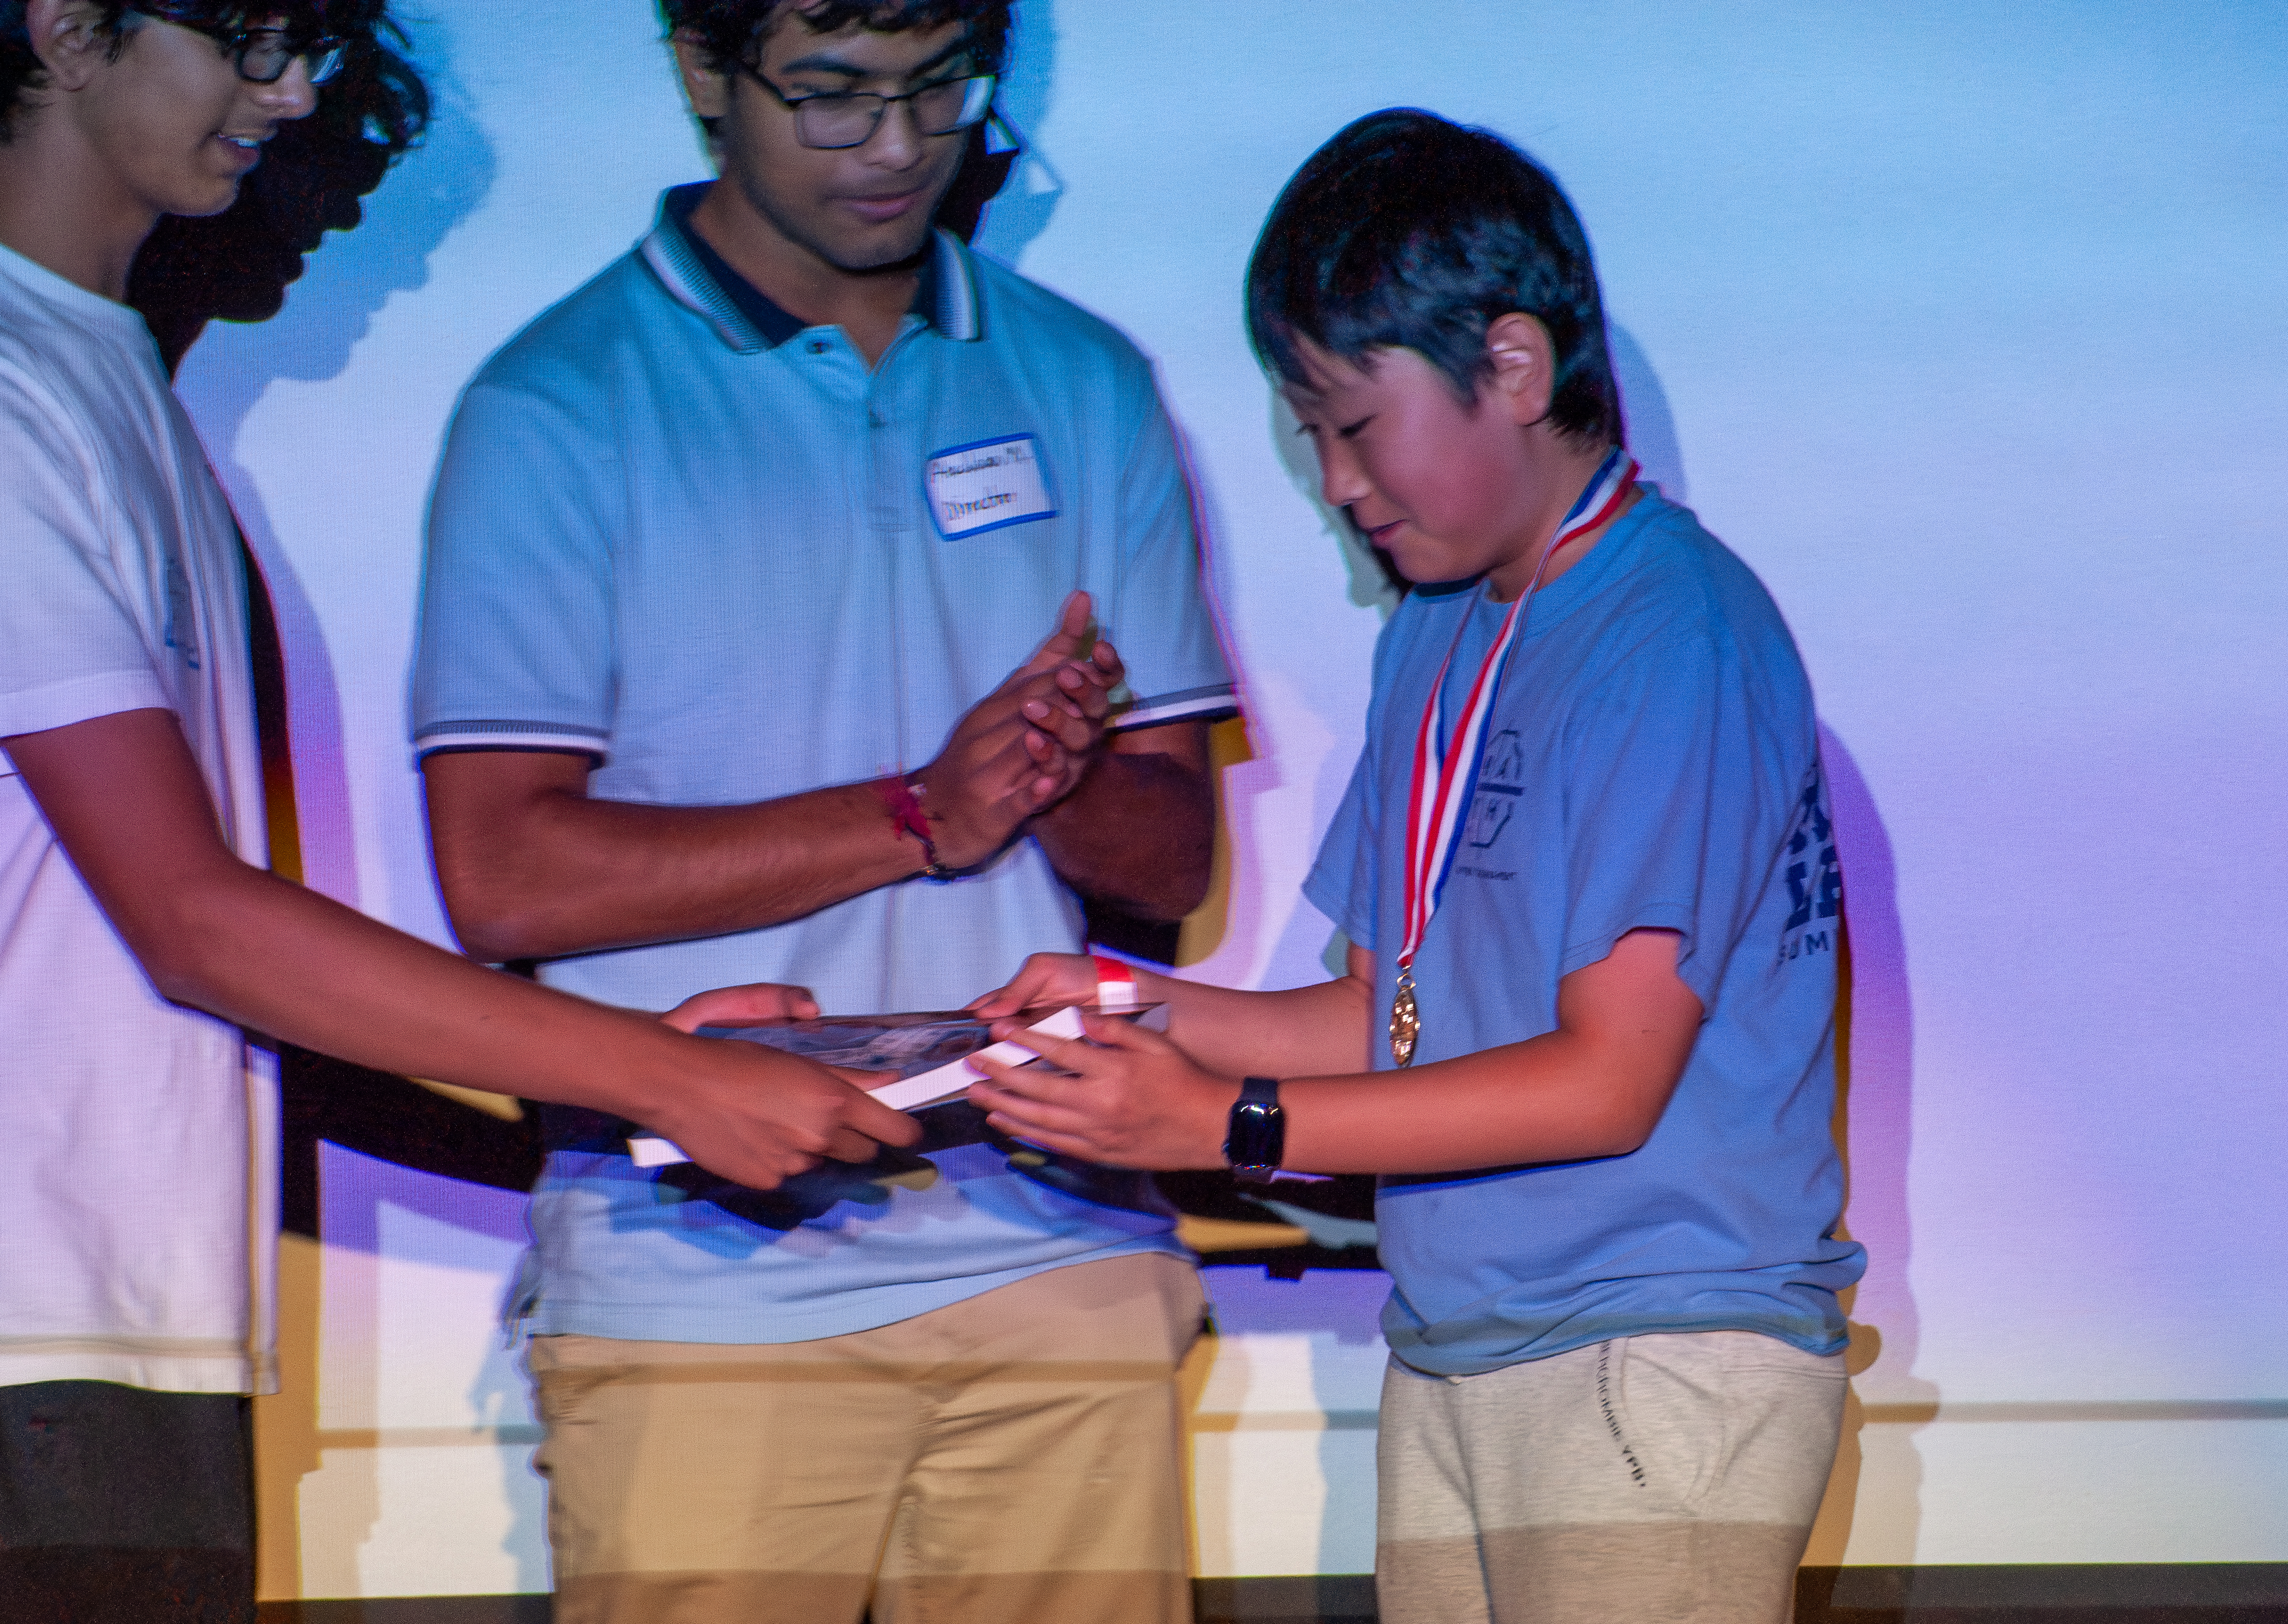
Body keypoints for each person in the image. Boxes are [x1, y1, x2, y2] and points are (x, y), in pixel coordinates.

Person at [0, 3, 924, 1615]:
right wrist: (650, 1071)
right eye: (250, 42)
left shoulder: (99, 367)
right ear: (70, 27)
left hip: (111, 1333)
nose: (292, 97)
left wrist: (631, 1098)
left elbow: (178, 981)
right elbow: (196, 925)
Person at [970, 109, 1867, 1624]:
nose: (1332, 482)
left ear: (1513, 367)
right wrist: (1141, 1006)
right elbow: (1387, 1017)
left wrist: (1224, 1126)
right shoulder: (1442, 627)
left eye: (1352, 424)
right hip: (1466, 1341)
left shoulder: (1676, 631)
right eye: (1303, 432)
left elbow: (1607, 1081)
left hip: (1654, 1355)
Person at [409, 2, 1237, 1619]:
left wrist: (1050, 776)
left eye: (940, 88)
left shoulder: (1083, 378)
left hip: (1060, 1259)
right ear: (703, 74)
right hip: (698, 1288)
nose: (898, 146)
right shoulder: (556, 406)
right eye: (834, 95)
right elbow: (500, 877)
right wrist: (919, 811)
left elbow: (1177, 857)